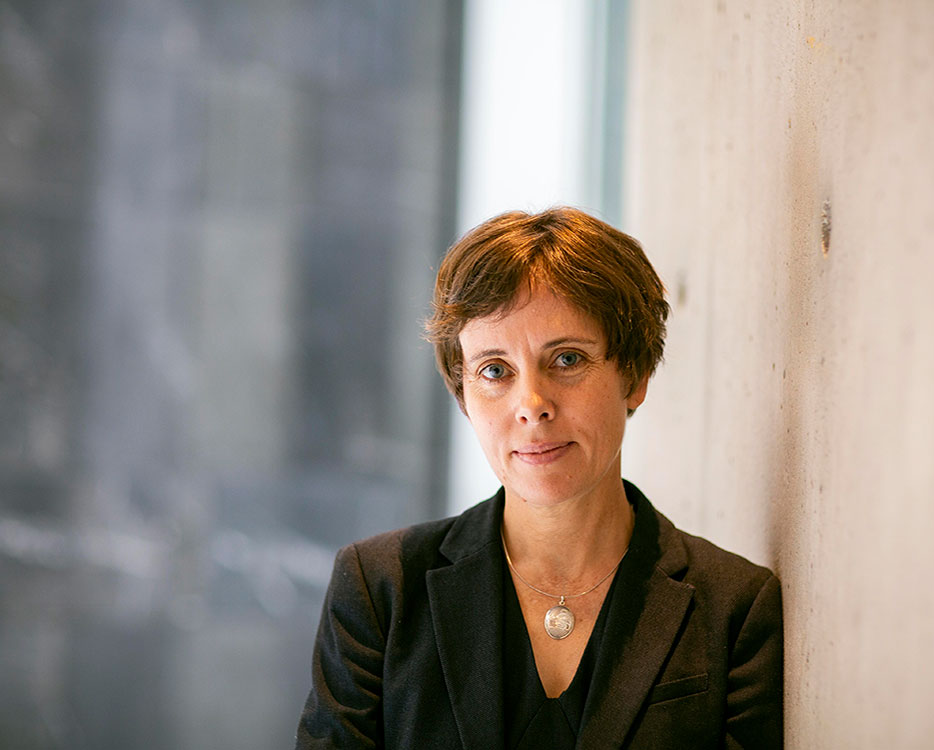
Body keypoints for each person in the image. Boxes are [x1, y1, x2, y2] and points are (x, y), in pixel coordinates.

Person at [296, 207, 783, 749]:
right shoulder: (379, 590)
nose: (532, 404)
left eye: (568, 359)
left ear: (636, 375)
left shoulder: (733, 609)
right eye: (495, 371)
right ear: (463, 397)